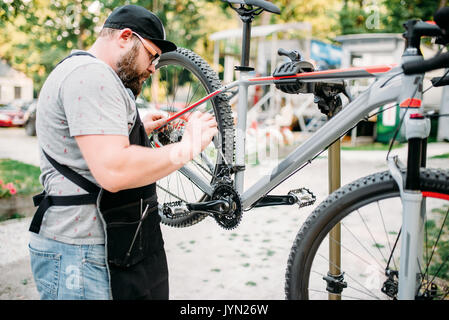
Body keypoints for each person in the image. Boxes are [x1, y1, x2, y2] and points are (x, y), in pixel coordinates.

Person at [28, 4, 218, 300]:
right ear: (126, 37)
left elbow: (87, 148)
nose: (155, 67)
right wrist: (188, 146)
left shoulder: (86, 73)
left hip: (93, 249)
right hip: (80, 255)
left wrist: (137, 126)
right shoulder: (92, 75)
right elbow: (114, 170)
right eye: (153, 55)